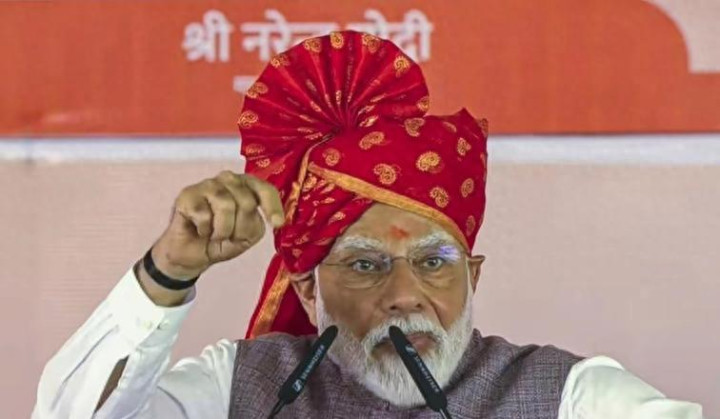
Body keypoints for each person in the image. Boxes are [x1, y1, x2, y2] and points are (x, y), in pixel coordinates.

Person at [33, 31, 703, 419]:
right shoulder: (239, 387)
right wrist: (168, 273)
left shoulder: (566, 397)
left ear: (472, 278)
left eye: (434, 262)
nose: (404, 295)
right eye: (364, 264)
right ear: (306, 291)